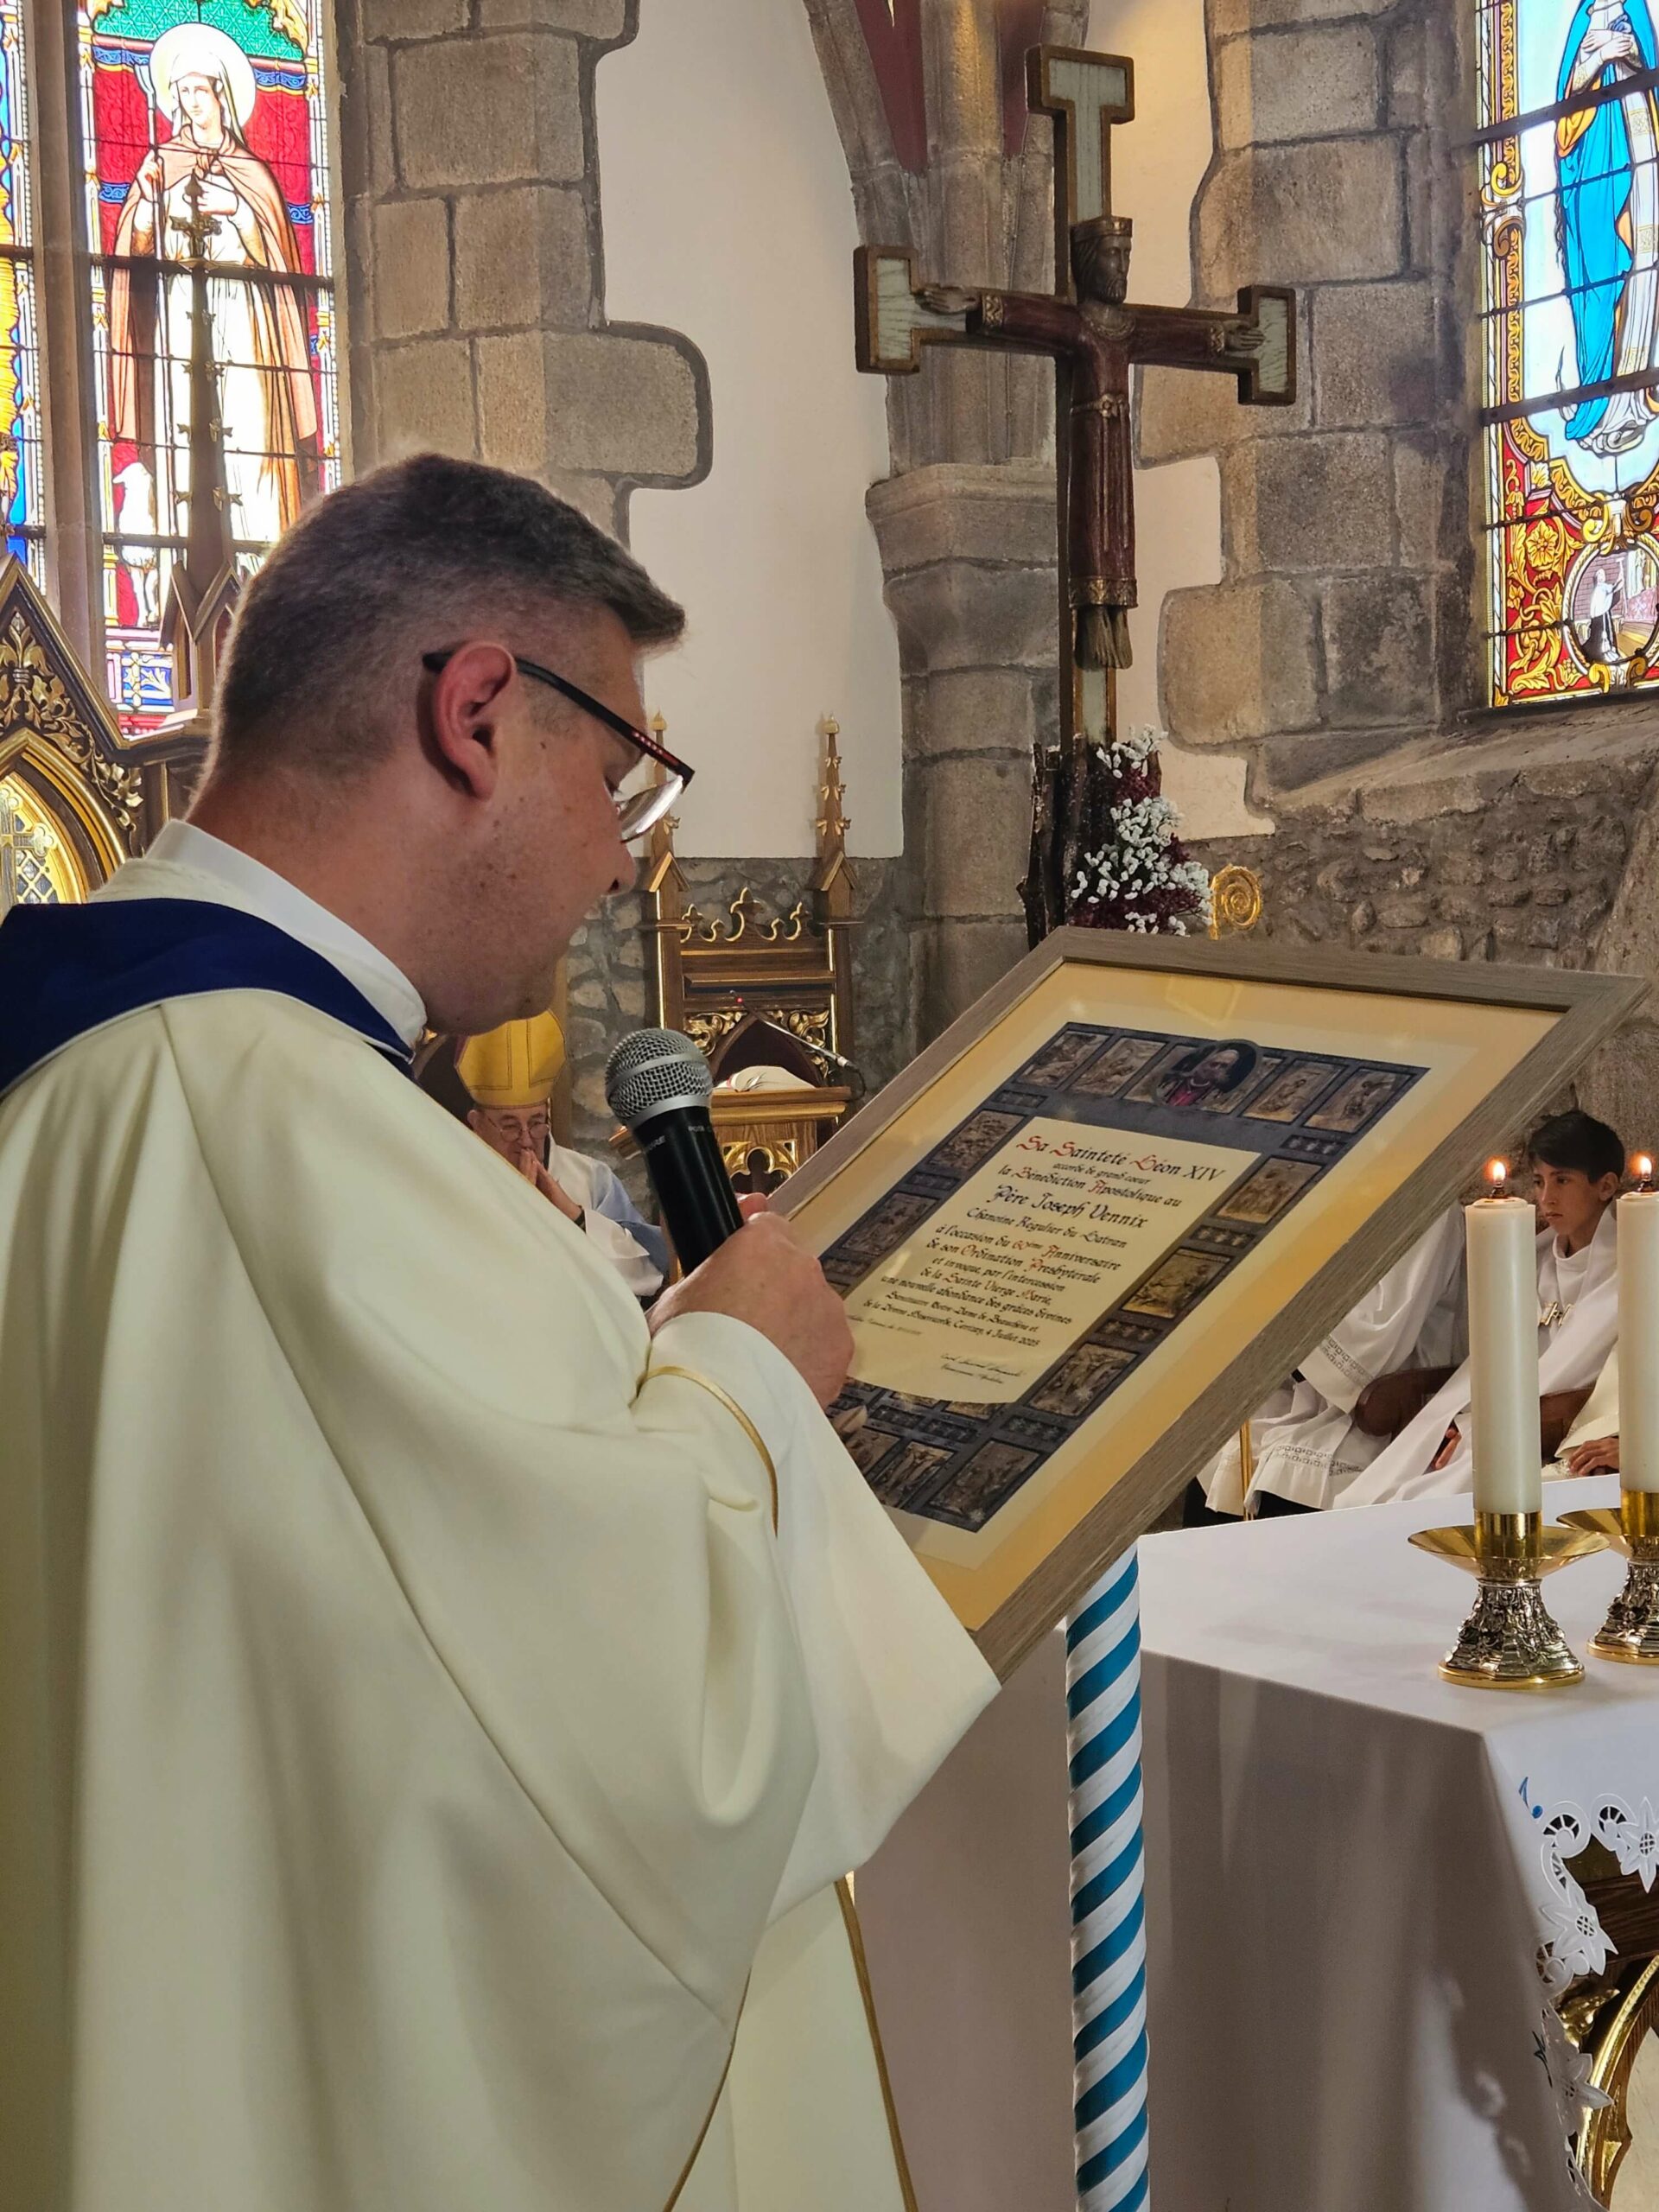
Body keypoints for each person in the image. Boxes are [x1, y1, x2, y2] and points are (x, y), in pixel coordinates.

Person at [0, 455, 996, 2212]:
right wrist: (744, 1372)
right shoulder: (282, 1130)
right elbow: (617, 1763)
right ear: (475, 715)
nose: (621, 863)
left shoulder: (90, 1072)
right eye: (618, 782)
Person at [1339, 1112, 1625, 1507]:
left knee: (1438, 1502)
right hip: (1498, 1419)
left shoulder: (1634, 1267)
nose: (1546, 1198)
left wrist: (1486, 1425)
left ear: (1605, 1186)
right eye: (1539, 1181)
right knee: (1385, 1493)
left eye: (1562, 1180)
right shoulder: (1529, 1259)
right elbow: (1492, 1357)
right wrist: (1461, 1416)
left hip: (1551, 1432)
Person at [110, 22, 319, 552]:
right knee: (183, 442)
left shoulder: (254, 174)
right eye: (182, 93)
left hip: (245, 320)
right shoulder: (161, 165)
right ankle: (179, 561)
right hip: (181, 315)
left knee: (254, 440)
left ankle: (262, 563)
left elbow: (278, 257)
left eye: (199, 90)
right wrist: (147, 205)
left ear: (221, 93)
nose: (191, 102)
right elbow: (136, 253)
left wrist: (238, 210)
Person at [1192, 1206, 1467, 1521]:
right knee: (1212, 1465)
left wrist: (1268, 1280)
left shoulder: (1426, 1210)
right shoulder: (1329, 1199)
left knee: (1282, 1479)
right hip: (1298, 1392)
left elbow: (1371, 1344)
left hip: (1379, 1409)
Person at [456, 1010, 668, 1300]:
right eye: (510, 1127)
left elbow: (646, 1274)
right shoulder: (455, 1177)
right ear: (477, 1124)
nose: (526, 1140)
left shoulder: (591, 1178)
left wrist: (575, 1217)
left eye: (536, 1123)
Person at [1556, 0, 1659, 458]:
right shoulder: (1582, 19)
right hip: (1595, 160)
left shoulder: (1634, 8)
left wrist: (1627, 48)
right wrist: (1597, 56)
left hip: (1640, 142)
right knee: (1599, 275)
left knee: (1643, 259)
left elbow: (1649, 60)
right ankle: (1599, 399)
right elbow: (1566, 106)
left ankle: (1634, 393)